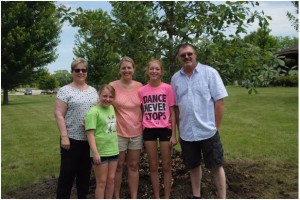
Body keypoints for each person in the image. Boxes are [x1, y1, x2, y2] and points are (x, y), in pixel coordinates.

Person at [171, 43, 228, 199]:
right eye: (183, 55)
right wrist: (177, 130)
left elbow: (219, 102)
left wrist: (215, 126)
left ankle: (222, 197)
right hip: (187, 133)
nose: (186, 57)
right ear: (178, 58)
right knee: (193, 166)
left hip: (208, 131)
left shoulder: (210, 73)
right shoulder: (175, 78)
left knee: (216, 166)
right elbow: (175, 107)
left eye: (189, 54)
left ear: (195, 54)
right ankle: (196, 195)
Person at [55, 58, 98, 199]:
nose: (81, 72)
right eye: (77, 70)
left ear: (87, 72)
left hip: (89, 140)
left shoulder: (93, 91)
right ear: (72, 72)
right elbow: (59, 114)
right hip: (71, 140)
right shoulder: (64, 90)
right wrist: (64, 136)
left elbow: (97, 112)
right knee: (67, 175)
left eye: (83, 70)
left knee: (84, 176)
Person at [138, 59, 177, 199]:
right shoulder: (141, 90)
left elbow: (172, 112)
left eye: (157, 69)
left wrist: (174, 134)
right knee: (153, 166)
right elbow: (141, 111)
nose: (154, 71)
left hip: (165, 129)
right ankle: (157, 197)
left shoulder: (167, 88)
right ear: (147, 71)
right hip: (149, 130)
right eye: (151, 69)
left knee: (166, 166)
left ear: (161, 71)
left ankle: (166, 196)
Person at [109, 56, 143, 199]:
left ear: (133, 70)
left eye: (129, 68)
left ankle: (133, 197)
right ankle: (116, 196)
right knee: (118, 166)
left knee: (133, 166)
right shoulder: (112, 86)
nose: (126, 70)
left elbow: (145, 108)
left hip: (136, 132)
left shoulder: (140, 86)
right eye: (123, 68)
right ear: (119, 70)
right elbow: (103, 103)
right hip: (118, 133)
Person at [84, 84, 119, 199]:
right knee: (101, 182)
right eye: (104, 96)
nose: (107, 99)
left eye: (110, 97)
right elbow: (90, 134)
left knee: (111, 180)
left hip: (113, 150)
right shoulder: (93, 112)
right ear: (99, 95)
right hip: (100, 152)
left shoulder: (112, 108)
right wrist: (95, 153)